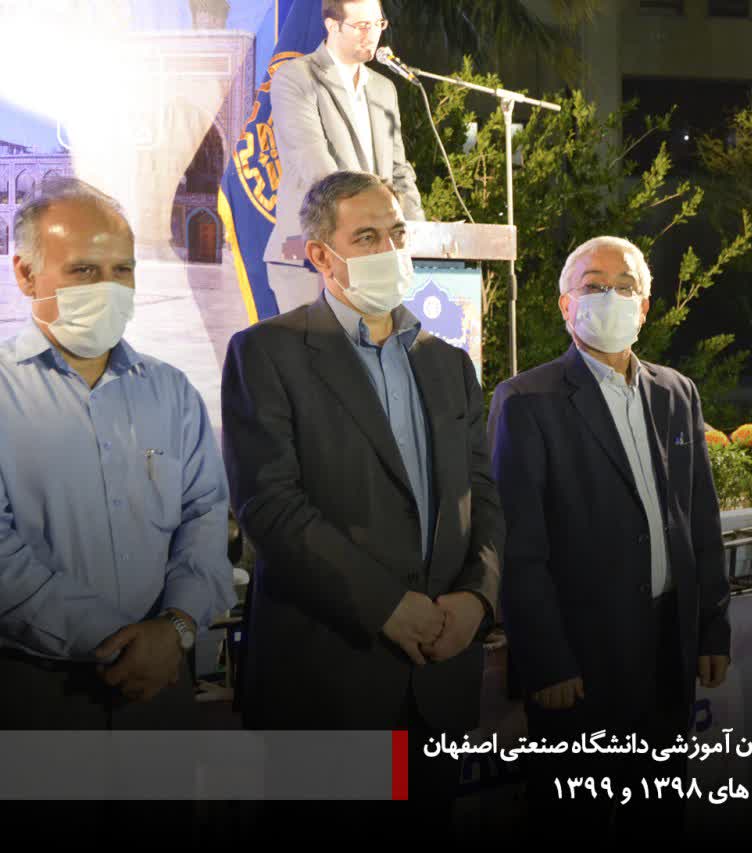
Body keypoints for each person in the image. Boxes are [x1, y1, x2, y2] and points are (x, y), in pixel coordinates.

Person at [221, 171, 501, 817]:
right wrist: (385, 606)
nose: (390, 250)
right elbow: (270, 506)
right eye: (367, 237)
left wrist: (477, 597)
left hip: (438, 675)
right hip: (328, 681)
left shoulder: (447, 362)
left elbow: (482, 494)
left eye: (396, 233)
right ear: (321, 256)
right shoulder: (267, 353)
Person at [487, 235, 731, 839]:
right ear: (565, 304)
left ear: (644, 306)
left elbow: (700, 520)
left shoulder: (676, 392)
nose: (609, 297)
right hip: (580, 661)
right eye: (593, 286)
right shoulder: (526, 401)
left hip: (668, 648)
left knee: (659, 816)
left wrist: (711, 628)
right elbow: (520, 547)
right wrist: (546, 661)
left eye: (625, 287)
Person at [0, 179, 234, 729]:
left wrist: (174, 629)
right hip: (35, 695)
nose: (108, 288)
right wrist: (117, 641)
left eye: (122, 270)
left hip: (163, 684)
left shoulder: (172, 392)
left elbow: (204, 517)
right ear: (25, 275)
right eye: (84, 270)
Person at [265, 0, 424, 312]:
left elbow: (398, 171)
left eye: (378, 24)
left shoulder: (384, 89)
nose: (372, 34)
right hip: (313, 256)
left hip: (377, 257)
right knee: (321, 344)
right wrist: (371, 227)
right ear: (332, 25)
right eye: (361, 26)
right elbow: (319, 172)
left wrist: (418, 234)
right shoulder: (296, 78)